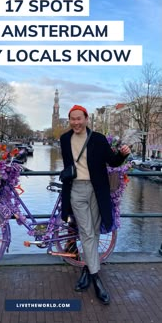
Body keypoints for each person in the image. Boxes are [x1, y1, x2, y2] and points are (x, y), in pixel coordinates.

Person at [60, 105, 130, 305]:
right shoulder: (65, 139)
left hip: (97, 191)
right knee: (87, 232)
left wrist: (122, 154)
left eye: (79, 119)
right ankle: (97, 279)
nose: (76, 122)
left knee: (95, 232)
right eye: (72, 119)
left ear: (86, 118)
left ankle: (86, 270)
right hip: (76, 191)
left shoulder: (98, 139)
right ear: (69, 120)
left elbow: (113, 162)